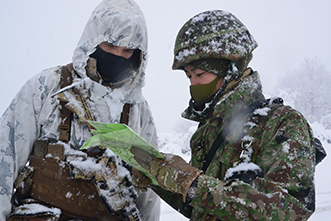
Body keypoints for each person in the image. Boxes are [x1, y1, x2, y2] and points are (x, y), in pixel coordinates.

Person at [131, 10, 317, 220]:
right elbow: (202, 207)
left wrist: (191, 183)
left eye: (200, 74)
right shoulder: (208, 130)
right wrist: (159, 176)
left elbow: (290, 211)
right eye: (189, 76)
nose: (193, 84)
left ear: (231, 69)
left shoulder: (282, 123)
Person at [0, 0, 160, 220]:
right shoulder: (48, 87)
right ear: (93, 40)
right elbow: (4, 160)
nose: (117, 55)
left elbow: (148, 192)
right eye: (110, 46)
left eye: (127, 50)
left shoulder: (137, 110)